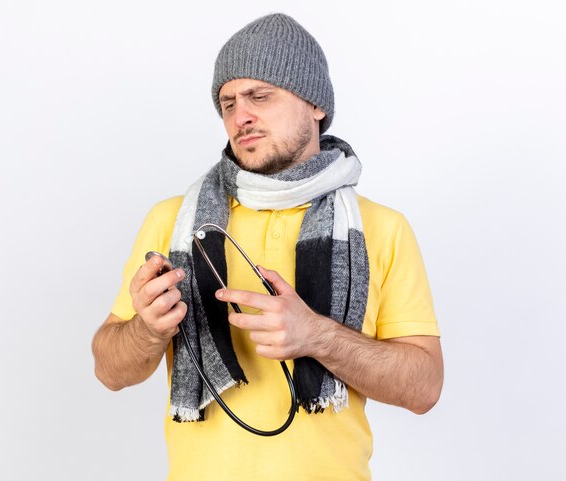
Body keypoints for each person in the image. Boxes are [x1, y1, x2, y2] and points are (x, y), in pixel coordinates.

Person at [92, 12, 443, 481]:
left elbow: (424, 388)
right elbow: (109, 370)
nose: (241, 116)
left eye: (260, 96)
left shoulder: (382, 228)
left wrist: (317, 335)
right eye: (228, 102)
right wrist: (148, 330)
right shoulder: (173, 222)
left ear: (315, 104)